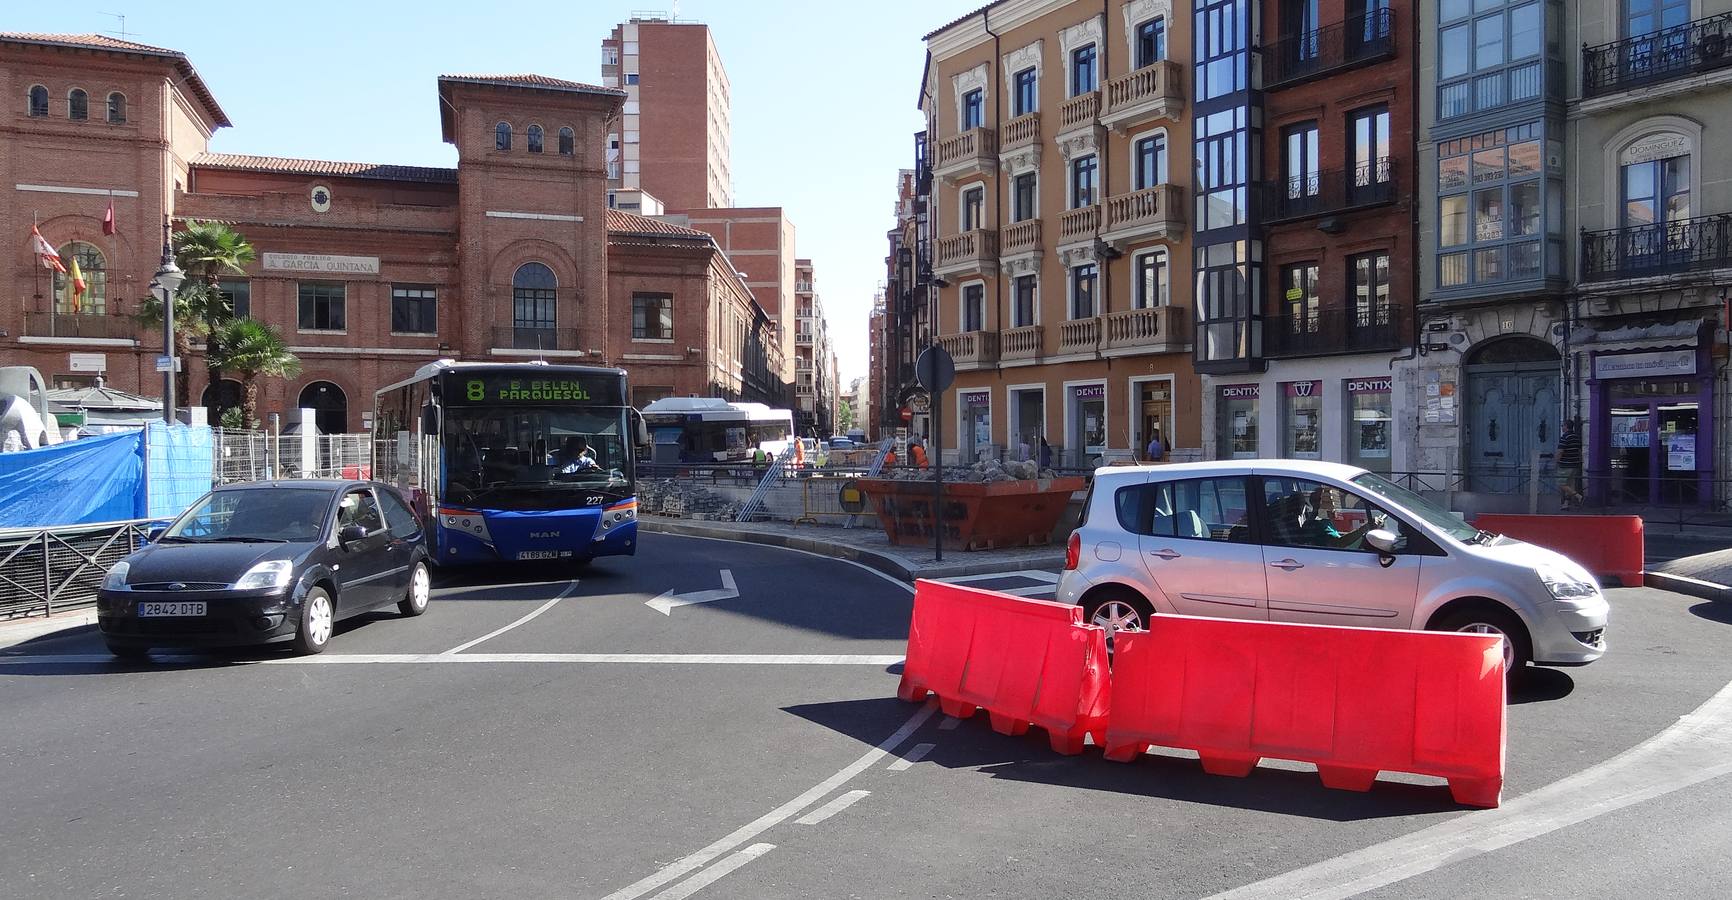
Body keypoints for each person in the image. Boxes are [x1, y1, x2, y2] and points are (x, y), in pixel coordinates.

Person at [1557, 418, 1584, 510]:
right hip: (1575, 464)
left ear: (1566, 427)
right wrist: (1580, 462)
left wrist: (1557, 461)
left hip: (1566, 464)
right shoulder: (1576, 437)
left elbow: (1560, 451)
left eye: (1562, 425)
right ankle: (1566, 505)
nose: (1562, 427)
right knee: (1570, 485)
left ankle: (1578, 496)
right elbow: (1579, 451)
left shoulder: (1564, 437)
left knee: (1561, 483)